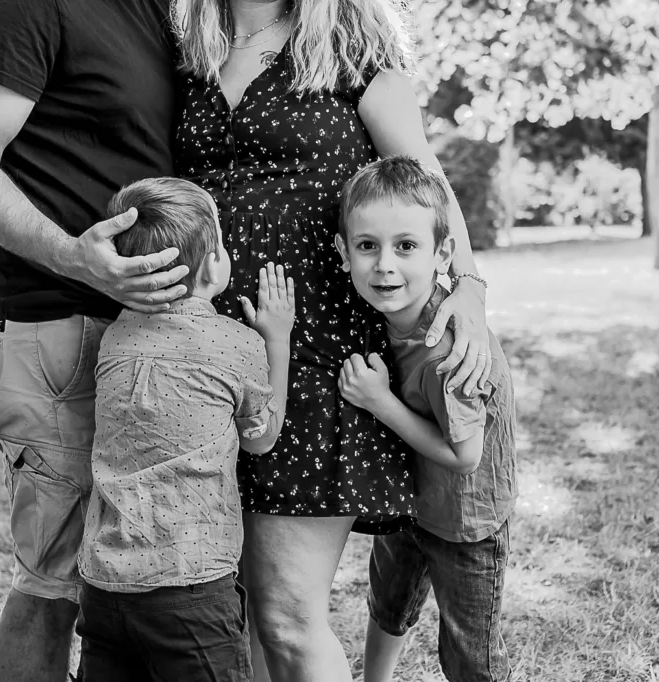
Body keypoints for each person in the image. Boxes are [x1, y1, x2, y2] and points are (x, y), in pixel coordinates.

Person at [172, 1, 492, 679]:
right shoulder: (187, 48)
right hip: (208, 363)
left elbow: (426, 181)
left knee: (288, 616)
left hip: (318, 366)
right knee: (245, 612)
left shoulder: (351, 54)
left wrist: (468, 287)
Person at [0, 1, 188, 679]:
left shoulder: (170, 11)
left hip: (143, 330)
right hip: (50, 320)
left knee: (130, 581)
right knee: (53, 583)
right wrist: (75, 256)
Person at [75, 177, 294, 681]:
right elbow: (261, 436)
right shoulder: (234, 343)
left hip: (104, 586)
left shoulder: (115, 336)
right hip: (191, 587)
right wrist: (275, 340)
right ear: (215, 260)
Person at [334, 157, 517, 682]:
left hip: (466, 520)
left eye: (406, 246)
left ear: (443, 254)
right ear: (344, 253)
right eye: (367, 246)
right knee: (388, 602)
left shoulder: (448, 351)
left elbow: (466, 456)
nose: (384, 265)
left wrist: (380, 402)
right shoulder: (387, 314)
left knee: (469, 650)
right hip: (411, 498)